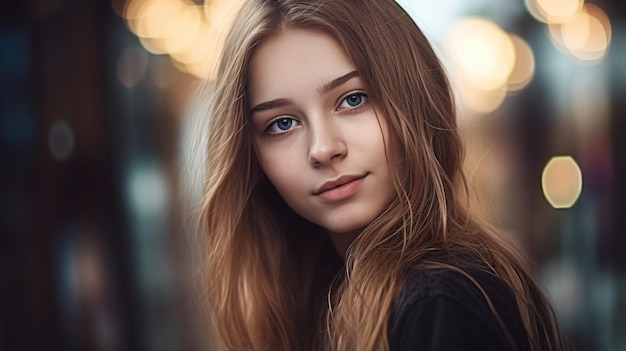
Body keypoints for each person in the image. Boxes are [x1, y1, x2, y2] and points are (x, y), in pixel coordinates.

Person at [193, 0, 565, 350]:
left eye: (353, 99)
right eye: (282, 123)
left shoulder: (440, 301)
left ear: (413, 98)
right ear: (252, 156)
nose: (323, 148)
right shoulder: (319, 294)